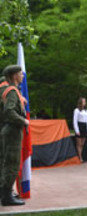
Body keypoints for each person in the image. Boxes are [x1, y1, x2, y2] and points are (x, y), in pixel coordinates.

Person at [0, 65, 28, 206]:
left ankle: (5, 192)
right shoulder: (11, 91)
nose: (22, 76)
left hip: (7, 130)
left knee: (5, 162)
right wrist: (24, 120)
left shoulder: (8, 89)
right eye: (20, 74)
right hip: (12, 132)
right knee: (12, 164)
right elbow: (9, 112)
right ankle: (6, 197)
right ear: (14, 76)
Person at [73, 97, 87, 162]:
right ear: (80, 102)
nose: (85, 103)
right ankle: (80, 157)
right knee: (79, 143)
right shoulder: (77, 110)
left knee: (82, 144)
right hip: (79, 126)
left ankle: (80, 155)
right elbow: (75, 121)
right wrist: (77, 130)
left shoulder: (86, 111)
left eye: (85, 102)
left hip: (84, 126)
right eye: (83, 101)